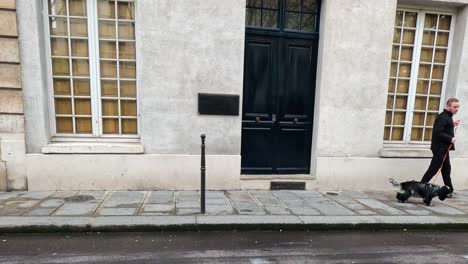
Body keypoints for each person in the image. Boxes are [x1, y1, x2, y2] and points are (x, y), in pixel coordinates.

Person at [420, 98, 460, 197]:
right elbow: (438, 132)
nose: (457, 109)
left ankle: (449, 190)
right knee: (433, 169)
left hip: (444, 148)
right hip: (440, 148)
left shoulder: (448, 117)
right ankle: (420, 188)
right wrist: (450, 139)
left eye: (458, 107)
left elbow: (444, 128)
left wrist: (452, 125)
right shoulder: (443, 117)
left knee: (446, 169)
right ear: (447, 106)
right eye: (454, 107)